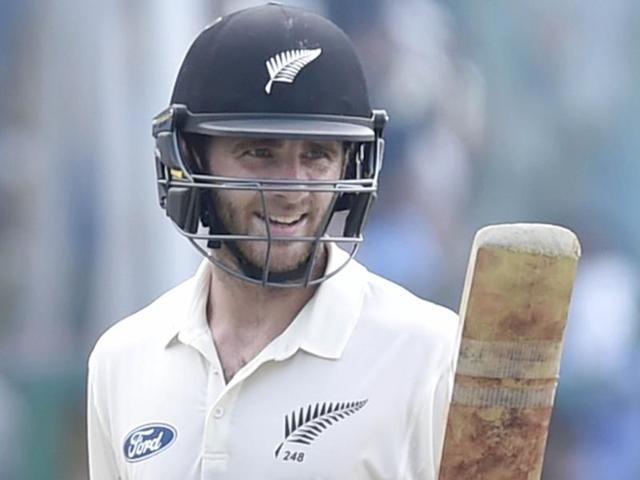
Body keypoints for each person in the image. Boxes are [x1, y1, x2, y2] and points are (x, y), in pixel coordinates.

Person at [87, 3, 459, 479]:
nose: (293, 190)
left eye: (318, 155)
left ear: (350, 167)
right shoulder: (123, 360)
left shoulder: (430, 357)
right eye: (259, 152)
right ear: (191, 159)